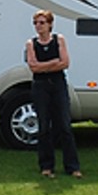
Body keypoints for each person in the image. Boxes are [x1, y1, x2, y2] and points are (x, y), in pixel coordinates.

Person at [25, 10, 82, 178]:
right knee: (43, 127)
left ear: (50, 24)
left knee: (64, 125)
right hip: (40, 87)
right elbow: (33, 67)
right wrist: (52, 63)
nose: (38, 26)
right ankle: (46, 165)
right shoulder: (31, 44)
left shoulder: (59, 40)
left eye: (42, 23)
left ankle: (72, 166)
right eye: (36, 23)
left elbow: (65, 63)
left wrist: (44, 66)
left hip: (58, 85)